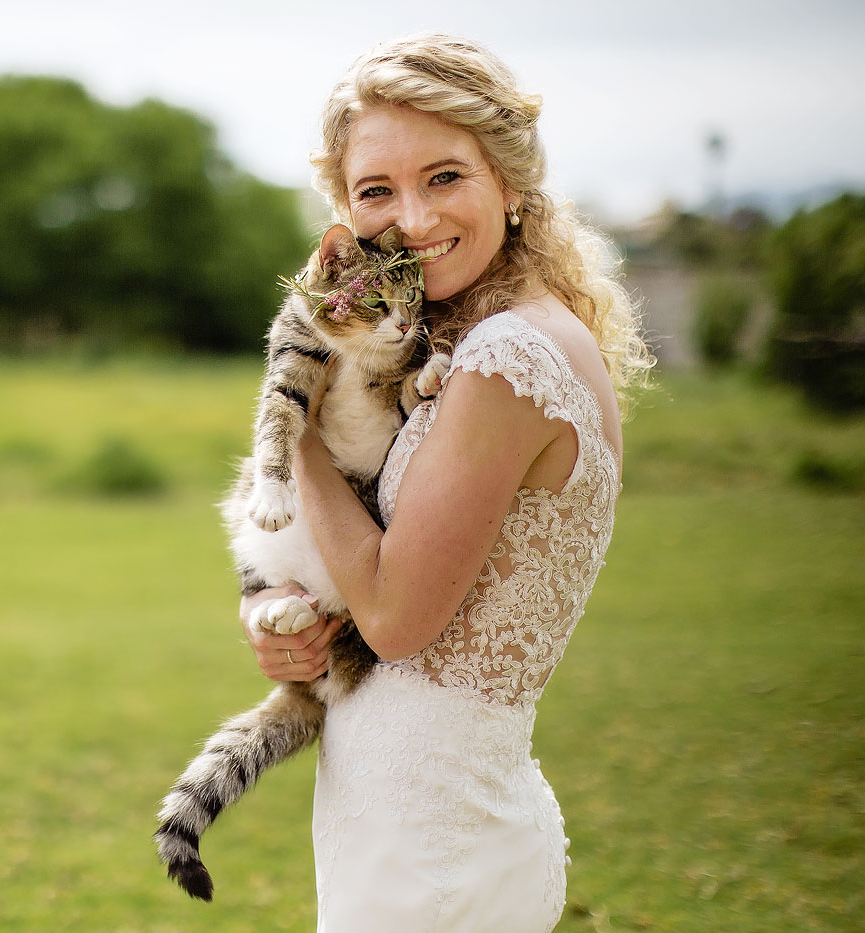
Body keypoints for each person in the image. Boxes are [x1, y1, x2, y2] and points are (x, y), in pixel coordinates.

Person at [239, 34, 651, 931]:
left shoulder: (507, 355)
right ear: (345, 213)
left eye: (445, 177)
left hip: (435, 849)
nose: (414, 220)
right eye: (376, 190)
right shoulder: (470, 340)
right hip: (409, 818)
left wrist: (294, 421)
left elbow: (395, 616)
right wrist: (294, 634)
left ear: (509, 181)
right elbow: (380, 587)